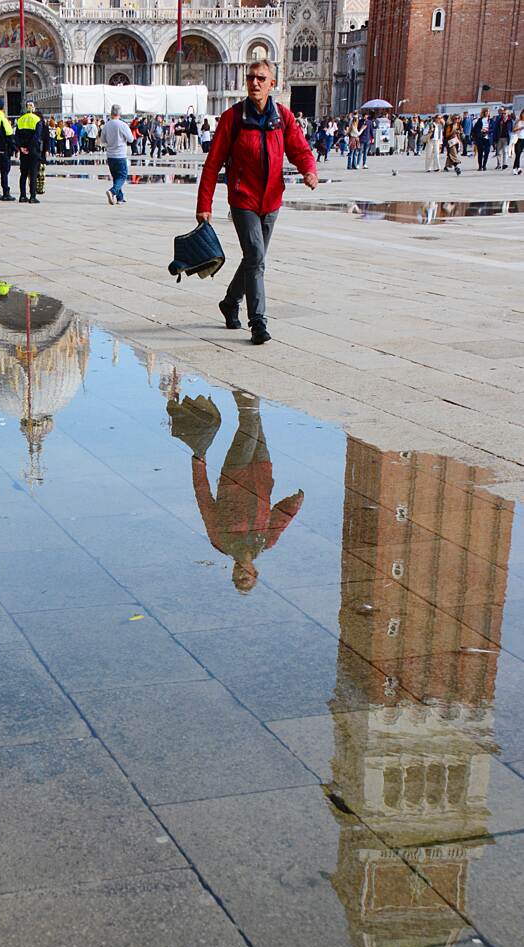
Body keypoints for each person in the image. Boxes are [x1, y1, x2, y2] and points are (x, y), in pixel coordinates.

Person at [196, 58, 317, 345]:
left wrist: (309, 170)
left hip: (272, 200)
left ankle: (229, 301)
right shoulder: (233, 118)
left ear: (272, 83)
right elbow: (212, 164)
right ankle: (258, 322)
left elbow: (299, 149)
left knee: (254, 258)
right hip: (243, 199)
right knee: (256, 259)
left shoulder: (283, 118)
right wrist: (205, 204)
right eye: (251, 78)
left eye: (261, 78)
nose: (255, 83)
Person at [167, 391, 304, 592]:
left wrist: (199, 462)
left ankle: (243, 392)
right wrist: (294, 504)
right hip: (262, 473)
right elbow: (280, 520)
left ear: (232, 572)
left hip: (235, 473)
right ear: (254, 572)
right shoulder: (264, 542)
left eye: (237, 578)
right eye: (246, 578)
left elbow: (204, 500)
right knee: (254, 422)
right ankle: (246, 390)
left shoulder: (221, 541)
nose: (241, 574)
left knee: (249, 425)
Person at [100, 104, 133, 205]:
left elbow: (103, 140)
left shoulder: (106, 125)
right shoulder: (122, 125)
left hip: (110, 155)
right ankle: (112, 191)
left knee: (116, 177)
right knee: (122, 176)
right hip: (120, 155)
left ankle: (120, 198)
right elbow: (131, 139)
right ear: (120, 113)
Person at [16, 102, 46, 203]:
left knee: (23, 174)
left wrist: (21, 147)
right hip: (33, 150)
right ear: (33, 109)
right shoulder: (37, 120)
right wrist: (29, 147)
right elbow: (37, 136)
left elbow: (16, 136)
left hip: (23, 151)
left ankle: (22, 196)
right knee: (33, 173)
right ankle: (33, 196)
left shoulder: (20, 120)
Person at [512, 109, 524, 174]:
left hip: (523, 140)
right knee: (518, 154)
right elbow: (513, 130)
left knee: (519, 154)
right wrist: (520, 128)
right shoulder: (518, 121)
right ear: (521, 114)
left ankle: (518, 168)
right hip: (518, 139)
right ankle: (515, 168)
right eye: (523, 113)